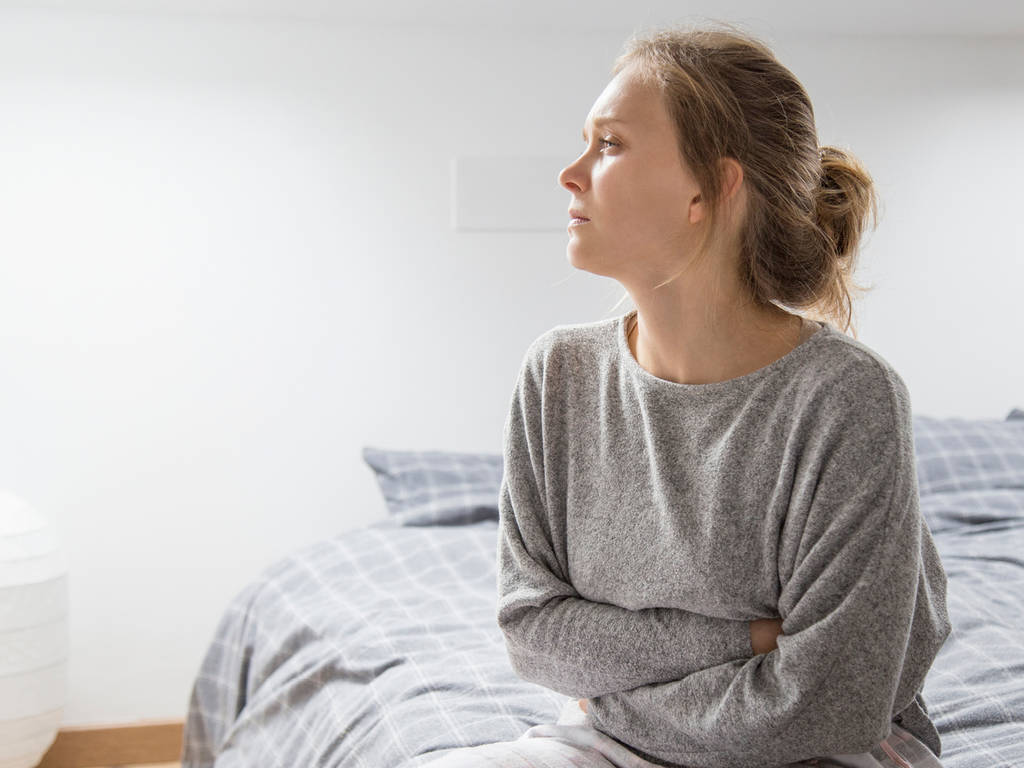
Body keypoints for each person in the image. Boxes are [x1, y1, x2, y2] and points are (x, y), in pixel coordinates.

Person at [424, 19, 952, 768]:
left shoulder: (846, 398)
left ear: (709, 188)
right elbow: (534, 636)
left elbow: (830, 705)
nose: (570, 173)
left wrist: (618, 688)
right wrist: (742, 640)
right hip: (601, 743)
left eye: (608, 144)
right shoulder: (558, 376)